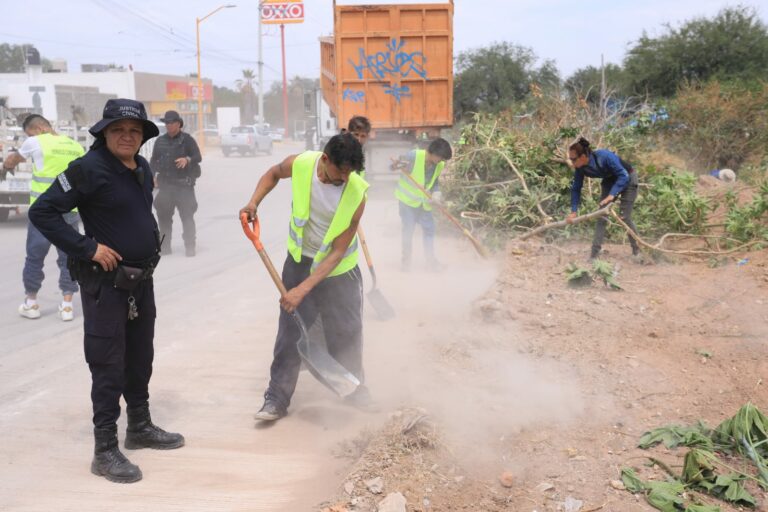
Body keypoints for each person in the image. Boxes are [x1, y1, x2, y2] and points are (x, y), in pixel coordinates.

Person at [28, 99, 184, 484]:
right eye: (118, 130)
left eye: (134, 131)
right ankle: (104, 450)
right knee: (107, 364)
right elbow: (42, 212)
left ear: (143, 136)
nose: (127, 136)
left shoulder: (142, 168)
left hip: (140, 282)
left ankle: (140, 427)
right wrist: (87, 248)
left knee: (140, 356)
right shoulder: (87, 169)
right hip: (105, 287)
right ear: (104, 133)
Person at [239, 133, 369, 422]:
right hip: (300, 262)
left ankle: (355, 391)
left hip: (340, 271)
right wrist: (253, 202)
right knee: (291, 333)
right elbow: (273, 173)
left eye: (350, 174)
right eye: (339, 173)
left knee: (346, 333)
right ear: (325, 160)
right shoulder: (301, 164)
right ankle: (276, 398)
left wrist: (302, 290)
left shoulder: (357, 192)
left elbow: (336, 252)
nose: (344, 179)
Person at [2, 114, 84, 321]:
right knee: (69, 258)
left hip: (43, 212)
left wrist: (6, 167)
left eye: (29, 133)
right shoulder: (74, 145)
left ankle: (31, 303)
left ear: (37, 128)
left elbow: (14, 158)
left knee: (35, 256)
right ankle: (67, 305)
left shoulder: (35, 141)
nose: (29, 137)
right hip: (69, 211)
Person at [566, 137, 640, 259]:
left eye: (573, 159)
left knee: (624, 217)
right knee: (601, 216)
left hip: (628, 177)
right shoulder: (580, 168)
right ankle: (594, 255)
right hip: (610, 180)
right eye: (570, 159)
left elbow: (623, 176)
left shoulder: (604, 156)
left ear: (583, 156)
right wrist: (574, 211)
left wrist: (612, 195)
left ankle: (638, 251)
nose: (572, 162)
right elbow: (576, 188)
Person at [393, 137, 452, 272]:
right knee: (408, 231)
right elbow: (393, 166)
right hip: (407, 202)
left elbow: (434, 182)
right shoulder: (413, 155)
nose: (441, 161)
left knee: (429, 231)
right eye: (441, 158)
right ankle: (406, 263)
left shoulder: (439, 164)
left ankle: (431, 263)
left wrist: (436, 194)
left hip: (424, 204)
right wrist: (398, 165)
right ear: (433, 153)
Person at [151, 110, 202, 257]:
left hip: (184, 187)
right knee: (164, 219)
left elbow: (198, 156)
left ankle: (190, 246)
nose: (168, 125)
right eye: (166, 122)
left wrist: (187, 159)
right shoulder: (160, 141)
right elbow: (153, 161)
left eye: (171, 122)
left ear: (178, 124)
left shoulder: (187, 140)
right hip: (166, 186)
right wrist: (152, 176)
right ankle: (165, 247)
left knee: (187, 218)